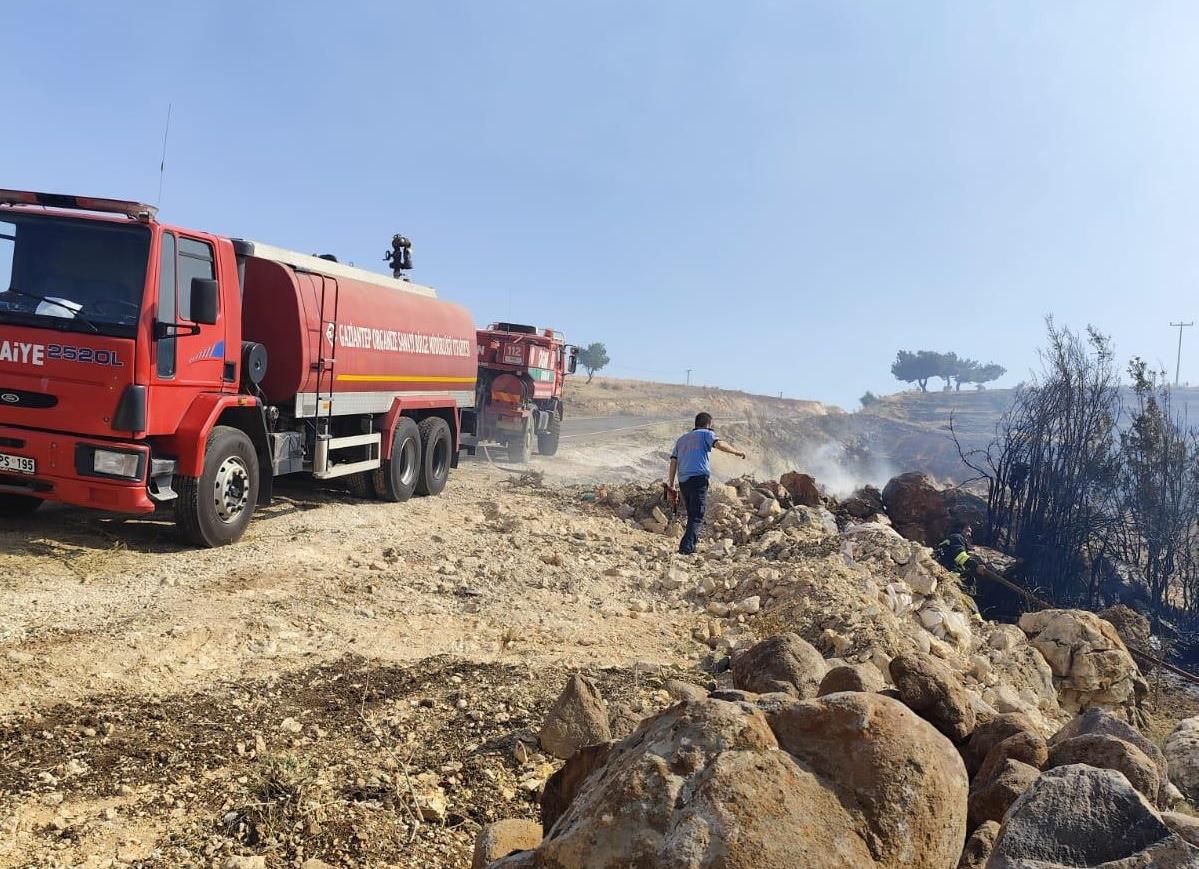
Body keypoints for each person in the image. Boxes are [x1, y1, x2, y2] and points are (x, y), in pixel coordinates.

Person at [666, 412, 745, 555]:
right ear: (709, 424)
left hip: (683, 481)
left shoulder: (681, 440)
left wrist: (671, 485)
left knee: (692, 514)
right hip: (698, 479)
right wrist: (736, 452)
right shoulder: (706, 434)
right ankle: (686, 548)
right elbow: (719, 444)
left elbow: (673, 462)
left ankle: (691, 545)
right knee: (697, 515)